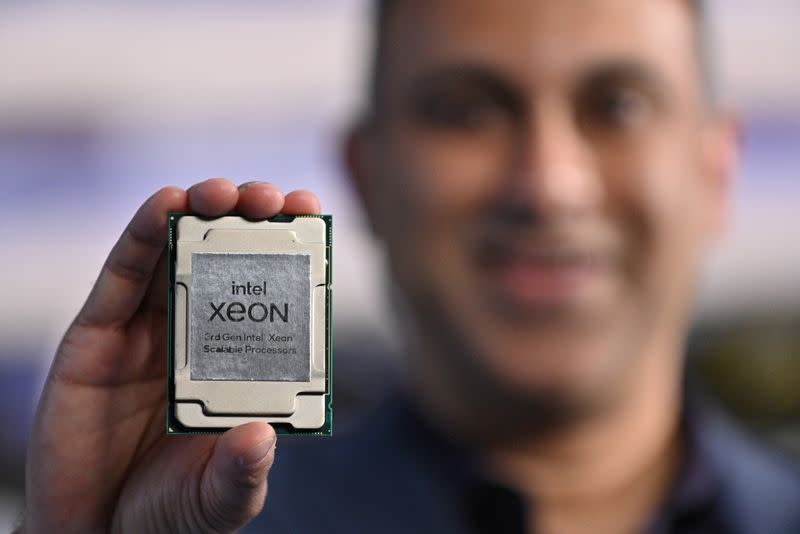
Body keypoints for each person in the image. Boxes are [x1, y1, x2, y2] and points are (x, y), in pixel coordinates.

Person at [17, 0, 800, 533]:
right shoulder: (202, 523)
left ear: (715, 173)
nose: (550, 185)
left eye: (618, 105)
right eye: (465, 109)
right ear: (367, 177)